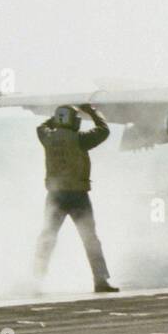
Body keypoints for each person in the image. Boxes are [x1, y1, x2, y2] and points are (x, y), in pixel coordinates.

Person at [32, 104, 118, 293]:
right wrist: (93, 111)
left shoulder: (47, 137)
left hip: (55, 196)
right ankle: (100, 280)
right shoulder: (80, 139)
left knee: (47, 237)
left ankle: (36, 281)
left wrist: (55, 119)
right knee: (90, 239)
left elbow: (40, 127)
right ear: (74, 121)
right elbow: (104, 131)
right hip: (78, 195)